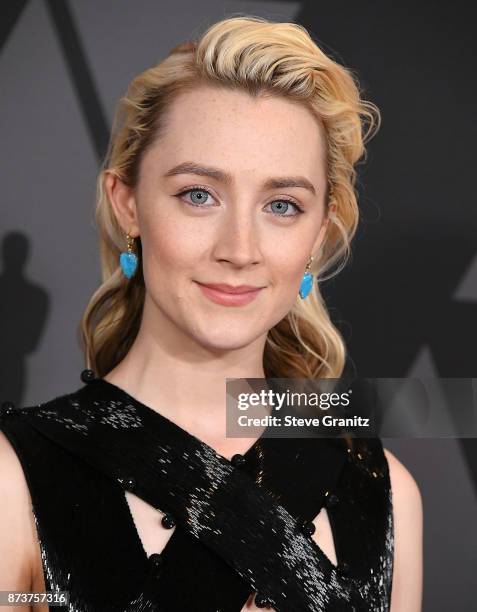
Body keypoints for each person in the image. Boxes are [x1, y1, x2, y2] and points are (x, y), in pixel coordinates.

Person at [0, 14, 423, 612]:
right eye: (198, 195)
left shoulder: (383, 492)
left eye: (282, 205)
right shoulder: (12, 479)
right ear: (129, 206)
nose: (240, 250)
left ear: (317, 236)